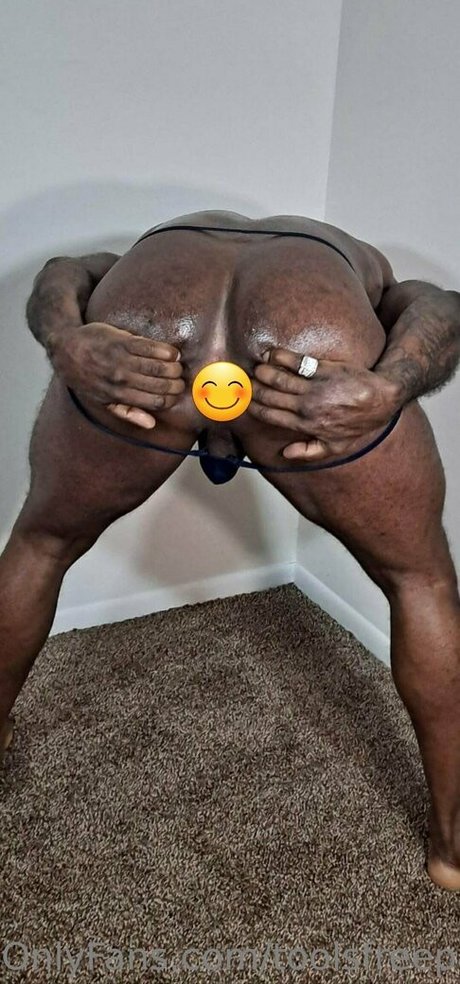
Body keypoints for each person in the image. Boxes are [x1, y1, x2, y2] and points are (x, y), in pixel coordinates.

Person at [2, 209, 460, 892]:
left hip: (151, 324)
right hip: (308, 343)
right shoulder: (357, 263)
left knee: (41, 543)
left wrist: (67, 341)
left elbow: (61, 273)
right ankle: (454, 845)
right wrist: (391, 384)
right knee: (420, 581)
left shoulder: (161, 244)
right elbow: (442, 306)